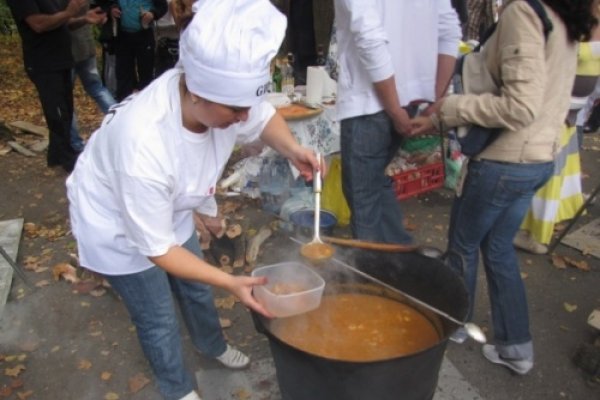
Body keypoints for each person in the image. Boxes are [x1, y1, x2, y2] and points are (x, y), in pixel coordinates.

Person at [66, 1, 320, 399]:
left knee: (197, 287)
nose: (242, 119)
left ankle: (211, 345)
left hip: (166, 203)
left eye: (244, 107)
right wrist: (231, 281)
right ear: (198, 92)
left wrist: (292, 149)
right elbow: (158, 249)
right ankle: (178, 389)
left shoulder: (216, 100)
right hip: (116, 221)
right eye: (235, 110)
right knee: (158, 318)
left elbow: (261, 116)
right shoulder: (143, 145)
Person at [411, 0, 597, 374]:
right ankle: (517, 348)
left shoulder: (525, 13)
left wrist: (451, 108)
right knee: (498, 250)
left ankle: (454, 323)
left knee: (462, 247)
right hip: (539, 158)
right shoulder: (562, 16)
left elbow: (520, 106)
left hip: (504, 162)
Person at [333, 0, 461, 244]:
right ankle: (401, 264)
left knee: (364, 201)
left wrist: (393, 107)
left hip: (369, 99)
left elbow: (369, 36)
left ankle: (372, 274)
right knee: (377, 183)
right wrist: (437, 97)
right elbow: (449, 28)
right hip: (410, 95)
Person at [517, 5, 600, 255]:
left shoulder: (586, 17)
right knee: (548, 170)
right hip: (557, 108)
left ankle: (534, 227)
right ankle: (527, 232)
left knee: (558, 171)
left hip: (576, 111)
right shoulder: (571, 17)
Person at [7, 0, 107, 173]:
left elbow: (62, 21)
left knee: (66, 110)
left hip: (63, 59)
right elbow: (38, 24)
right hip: (43, 63)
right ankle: (67, 160)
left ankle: (55, 158)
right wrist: (69, 12)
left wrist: (84, 19)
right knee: (57, 113)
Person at [70, 1, 117, 152]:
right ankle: (119, 121)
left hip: (70, 50)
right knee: (97, 88)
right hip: (85, 47)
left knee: (66, 97)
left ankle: (75, 143)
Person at [109, 0, 168, 101]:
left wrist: (152, 14)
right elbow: (106, 3)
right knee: (123, 77)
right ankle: (124, 109)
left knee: (146, 75)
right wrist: (112, 9)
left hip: (144, 35)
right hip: (123, 36)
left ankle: (146, 106)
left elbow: (162, 6)